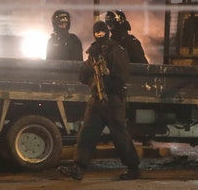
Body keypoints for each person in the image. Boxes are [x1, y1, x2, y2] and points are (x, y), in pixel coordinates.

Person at [57, 21, 141, 181]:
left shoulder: (117, 51)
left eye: (102, 32)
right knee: (87, 133)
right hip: (97, 99)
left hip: (113, 100)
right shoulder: (94, 51)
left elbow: (122, 77)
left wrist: (106, 78)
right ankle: (79, 168)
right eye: (97, 33)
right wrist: (93, 77)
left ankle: (133, 168)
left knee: (120, 135)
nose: (99, 35)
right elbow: (82, 75)